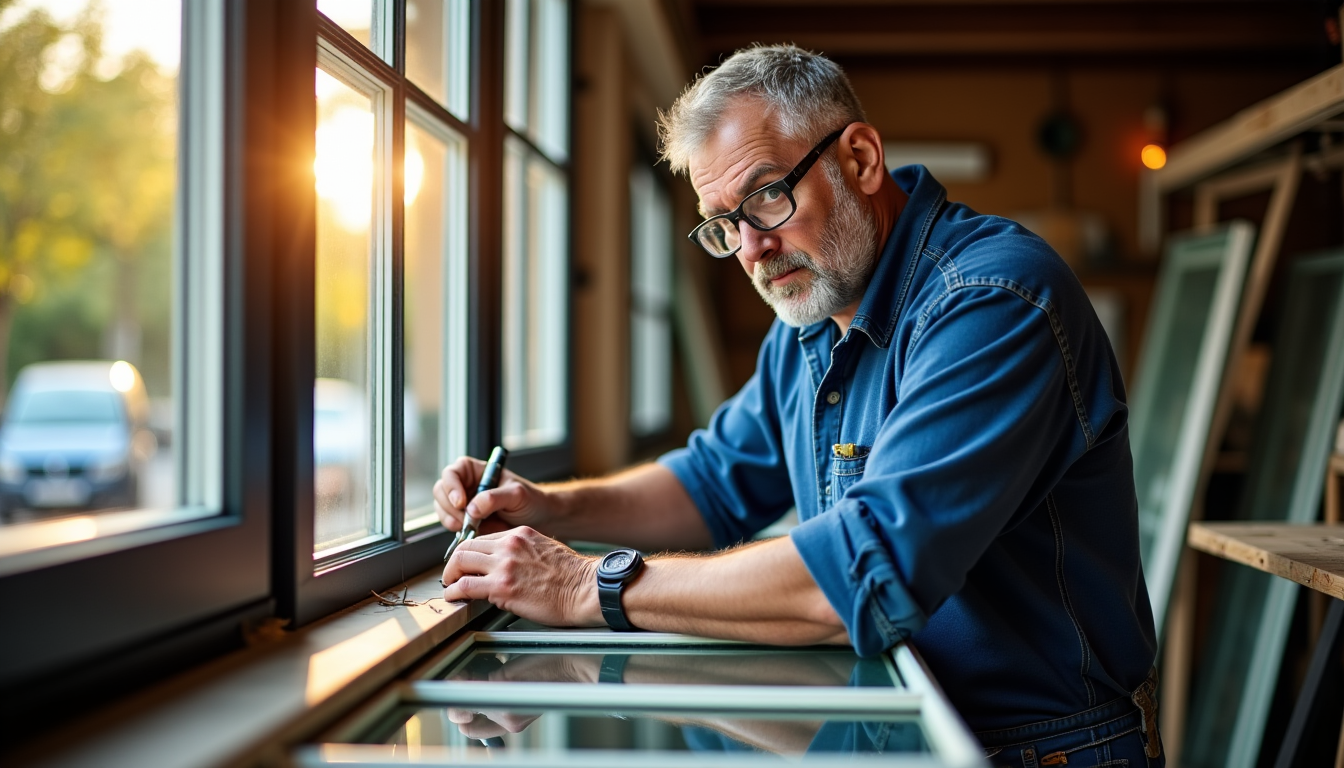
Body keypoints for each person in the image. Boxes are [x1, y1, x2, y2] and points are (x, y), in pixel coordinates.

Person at [438, 44, 1162, 766]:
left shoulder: (992, 301)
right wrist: (547, 508)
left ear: (860, 160)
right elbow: (714, 482)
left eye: (765, 197)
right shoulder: (813, 320)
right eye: (724, 224)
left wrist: (580, 585)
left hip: (1040, 748)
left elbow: (864, 576)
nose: (752, 248)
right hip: (892, 724)